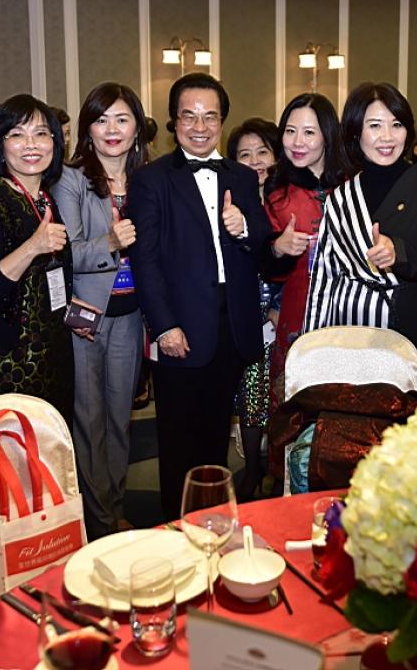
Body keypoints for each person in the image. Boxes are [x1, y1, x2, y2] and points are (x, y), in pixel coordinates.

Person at [129, 72, 271, 518]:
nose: (200, 126)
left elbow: (262, 241)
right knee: (177, 441)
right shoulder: (151, 180)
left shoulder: (242, 178)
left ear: (222, 121)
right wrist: (164, 325)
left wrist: (243, 228)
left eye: (210, 116)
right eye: (189, 116)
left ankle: (213, 521)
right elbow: (145, 259)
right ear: (174, 121)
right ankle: (176, 529)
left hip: (232, 324)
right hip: (181, 325)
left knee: (215, 437)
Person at [54, 82, 150, 539]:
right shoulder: (71, 179)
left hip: (130, 316)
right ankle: (98, 520)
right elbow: (65, 252)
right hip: (85, 317)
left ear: (137, 128)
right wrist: (109, 242)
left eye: (122, 119)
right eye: (101, 119)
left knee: (119, 419)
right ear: (87, 129)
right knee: (88, 421)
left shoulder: (148, 179)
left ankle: (113, 505)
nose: (112, 129)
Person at [303, 82, 417, 370]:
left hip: (406, 324)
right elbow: (324, 276)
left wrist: (398, 252)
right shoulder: (341, 196)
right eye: (374, 126)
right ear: (356, 132)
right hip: (348, 327)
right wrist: (310, 347)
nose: (387, 137)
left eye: (396, 125)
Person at [0, 95, 74, 423]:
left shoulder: (45, 198)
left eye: (41, 133)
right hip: (14, 357)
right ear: (0, 145)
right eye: (17, 134)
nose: (31, 144)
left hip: (54, 347)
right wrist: (33, 246)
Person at [264, 94, 354, 416]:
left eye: (309, 132)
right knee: (295, 408)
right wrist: (279, 248)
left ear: (327, 136)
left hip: (349, 313)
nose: (297, 142)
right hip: (297, 312)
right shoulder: (277, 192)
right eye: (290, 131)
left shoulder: (354, 185)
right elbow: (267, 268)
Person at [225, 117, 281, 500]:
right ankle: (252, 470)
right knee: (248, 390)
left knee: (278, 391)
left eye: (263, 151)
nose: (256, 161)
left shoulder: (286, 202)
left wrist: (277, 307)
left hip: (281, 312)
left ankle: (273, 467)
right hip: (242, 313)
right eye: (245, 155)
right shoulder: (229, 203)